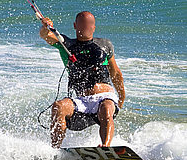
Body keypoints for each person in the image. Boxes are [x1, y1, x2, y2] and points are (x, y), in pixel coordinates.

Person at [39, 11, 125, 148]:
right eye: (83, 23)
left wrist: (121, 96)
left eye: (90, 23)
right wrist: (45, 27)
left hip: (105, 97)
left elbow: (115, 73)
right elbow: (46, 36)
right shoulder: (66, 44)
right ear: (75, 25)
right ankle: (54, 151)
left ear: (94, 27)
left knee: (106, 108)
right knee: (58, 106)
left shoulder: (105, 45)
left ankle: (105, 147)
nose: (87, 26)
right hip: (82, 101)